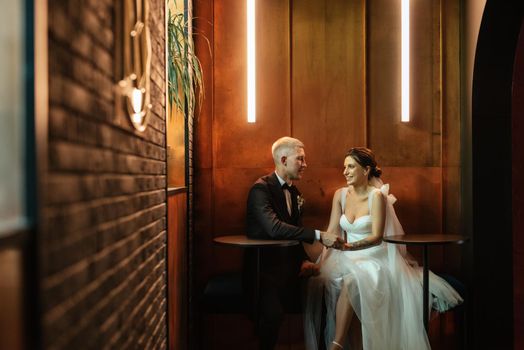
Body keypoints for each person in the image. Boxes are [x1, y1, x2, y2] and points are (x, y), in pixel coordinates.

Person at [304, 147, 463, 350]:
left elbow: (377, 237)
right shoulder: (340, 195)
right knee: (329, 279)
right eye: (344, 167)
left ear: (366, 170)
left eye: (351, 167)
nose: (345, 172)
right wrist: (322, 259)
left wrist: (348, 246)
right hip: (345, 256)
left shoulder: (376, 196)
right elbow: (332, 231)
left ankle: (337, 344)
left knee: (353, 280)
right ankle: (349, 344)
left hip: (374, 257)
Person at [244, 136, 343, 350]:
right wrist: (318, 235)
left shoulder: (295, 192)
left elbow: (294, 234)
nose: (305, 164)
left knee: (329, 296)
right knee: (273, 315)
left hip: (290, 270)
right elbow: (274, 228)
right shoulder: (260, 189)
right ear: (283, 159)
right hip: (264, 271)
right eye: (300, 159)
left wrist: (304, 261)